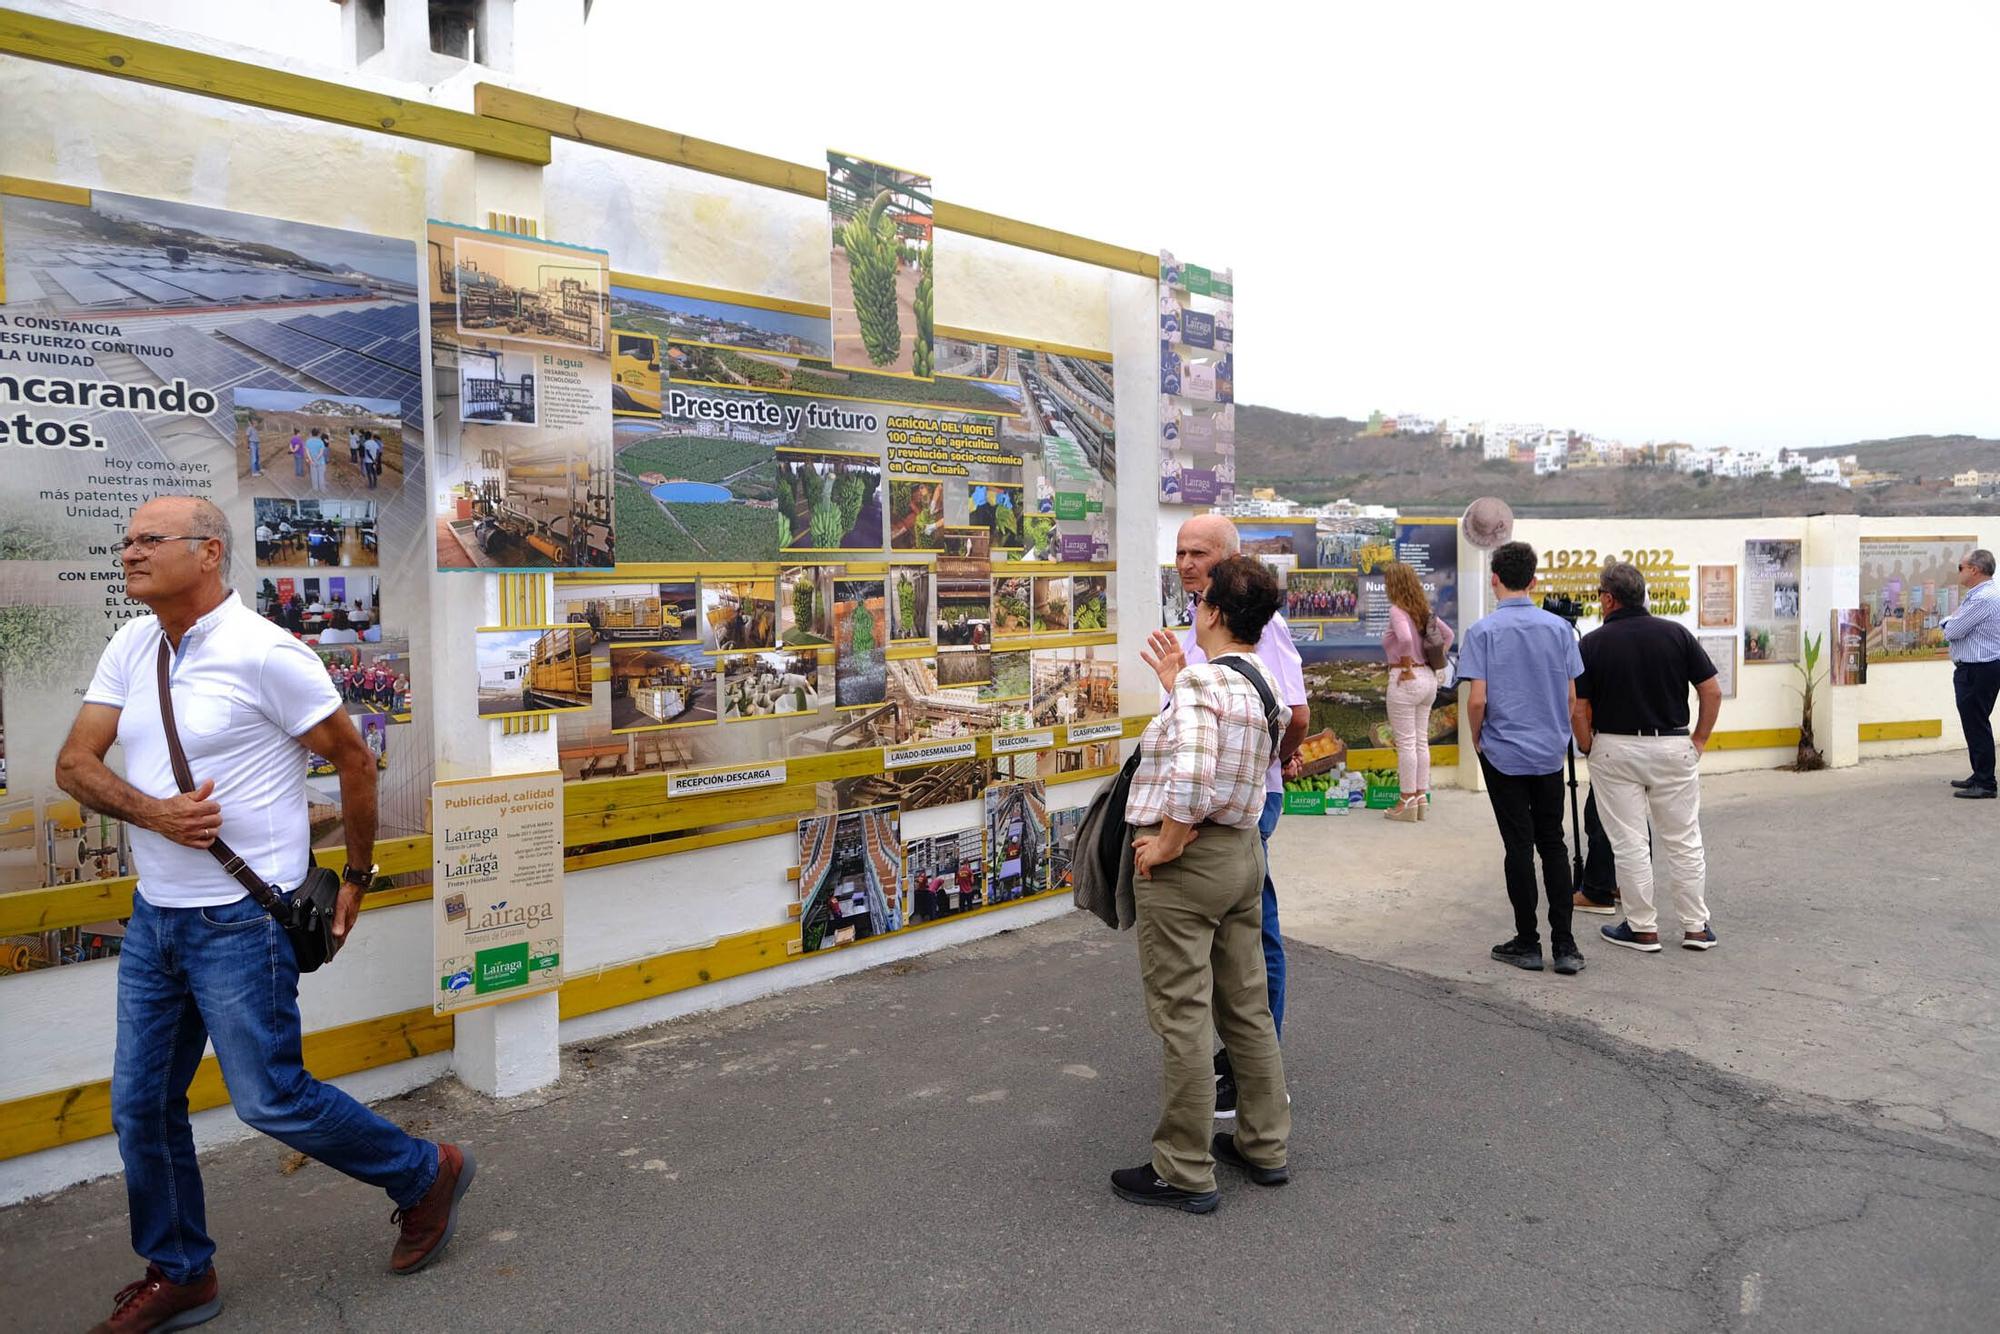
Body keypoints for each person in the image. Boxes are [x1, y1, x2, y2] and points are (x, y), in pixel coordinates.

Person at [55, 497, 474, 1330]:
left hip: (243, 922)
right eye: (127, 539)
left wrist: (356, 875)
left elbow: (355, 759)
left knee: (269, 1100)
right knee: (141, 1106)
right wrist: (154, 813)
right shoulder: (131, 645)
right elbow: (74, 763)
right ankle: (181, 1273)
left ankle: (425, 1172)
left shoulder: (267, 654)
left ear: (208, 553)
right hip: (157, 920)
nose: (130, 552)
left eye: (150, 540)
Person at [1116, 555, 1291, 1213]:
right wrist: (1174, 681)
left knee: (1183, 1014)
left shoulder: (1200, 686)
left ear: (1213, 611)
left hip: (1189, 864)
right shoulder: (1259, 681)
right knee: (1245, 1005)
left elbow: (1191, 778)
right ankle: (1264, 1144)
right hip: (1243, 856)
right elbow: (1233, 752)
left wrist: (1167, 841)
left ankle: (1184, 1168)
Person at [1170, 514, 1308, 1119]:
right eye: (1179, 552)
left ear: (1229, 559)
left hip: (1238, 801)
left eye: (1199, 553)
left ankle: (1256, 1065)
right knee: (1239, 930)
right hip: (1220, 799)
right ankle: (1247, 1063)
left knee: (1252, 931)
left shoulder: (1257, 626)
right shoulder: (1198, 622)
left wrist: (1264, 766)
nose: (1185, 563)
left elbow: (1295, 713)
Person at [1571, 561, 1723, 952]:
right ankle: (1696, 928)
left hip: (1616, 748)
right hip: (1674, 746)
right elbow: (1711, 690)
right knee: (1684, 839)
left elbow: (1578, 707)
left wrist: (1587, 744)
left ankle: (1643, 929)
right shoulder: (1676, 634)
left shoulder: (1591, 643)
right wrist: (1699, 740)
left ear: (1608, 599)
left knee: (1630, 841)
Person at [1458, 540, 1587, 975]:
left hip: (1504, 752)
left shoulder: (1482, 633)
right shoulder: (1559, 630)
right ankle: (1566, 946)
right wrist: (1557, 730)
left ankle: (1528, 942)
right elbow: (1571, 695)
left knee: (1518, 845)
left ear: (1495, 578)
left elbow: (1477, 700)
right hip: (1550, 752)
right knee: (1553, 841)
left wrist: (1477, 738)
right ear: (1534, 580)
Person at [1380, 559, 1452, 822]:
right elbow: (1449, 635)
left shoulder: (1397, 611)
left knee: (1407, 743)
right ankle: (1420, 796)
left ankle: (1406, 800)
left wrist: (1408, 663)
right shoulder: (1423, 610)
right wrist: (1432, 661)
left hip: (1405, 677)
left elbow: (1406, 639)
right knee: (1421, 740)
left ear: (1394, 584)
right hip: (1428, 679)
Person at [1943, 549, 2000, 799]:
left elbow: (1953, 630)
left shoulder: (1983, 598)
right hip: (1982, 668)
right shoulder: (1983, 594)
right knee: (1976, 722)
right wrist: (1953, 621)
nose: (1960, 571)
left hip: (1978, 669)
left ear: (1974, 570)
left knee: (1976, 724)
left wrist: (1947, 622)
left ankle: (1986, 783)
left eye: (1961, 567)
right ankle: (1980, 774)